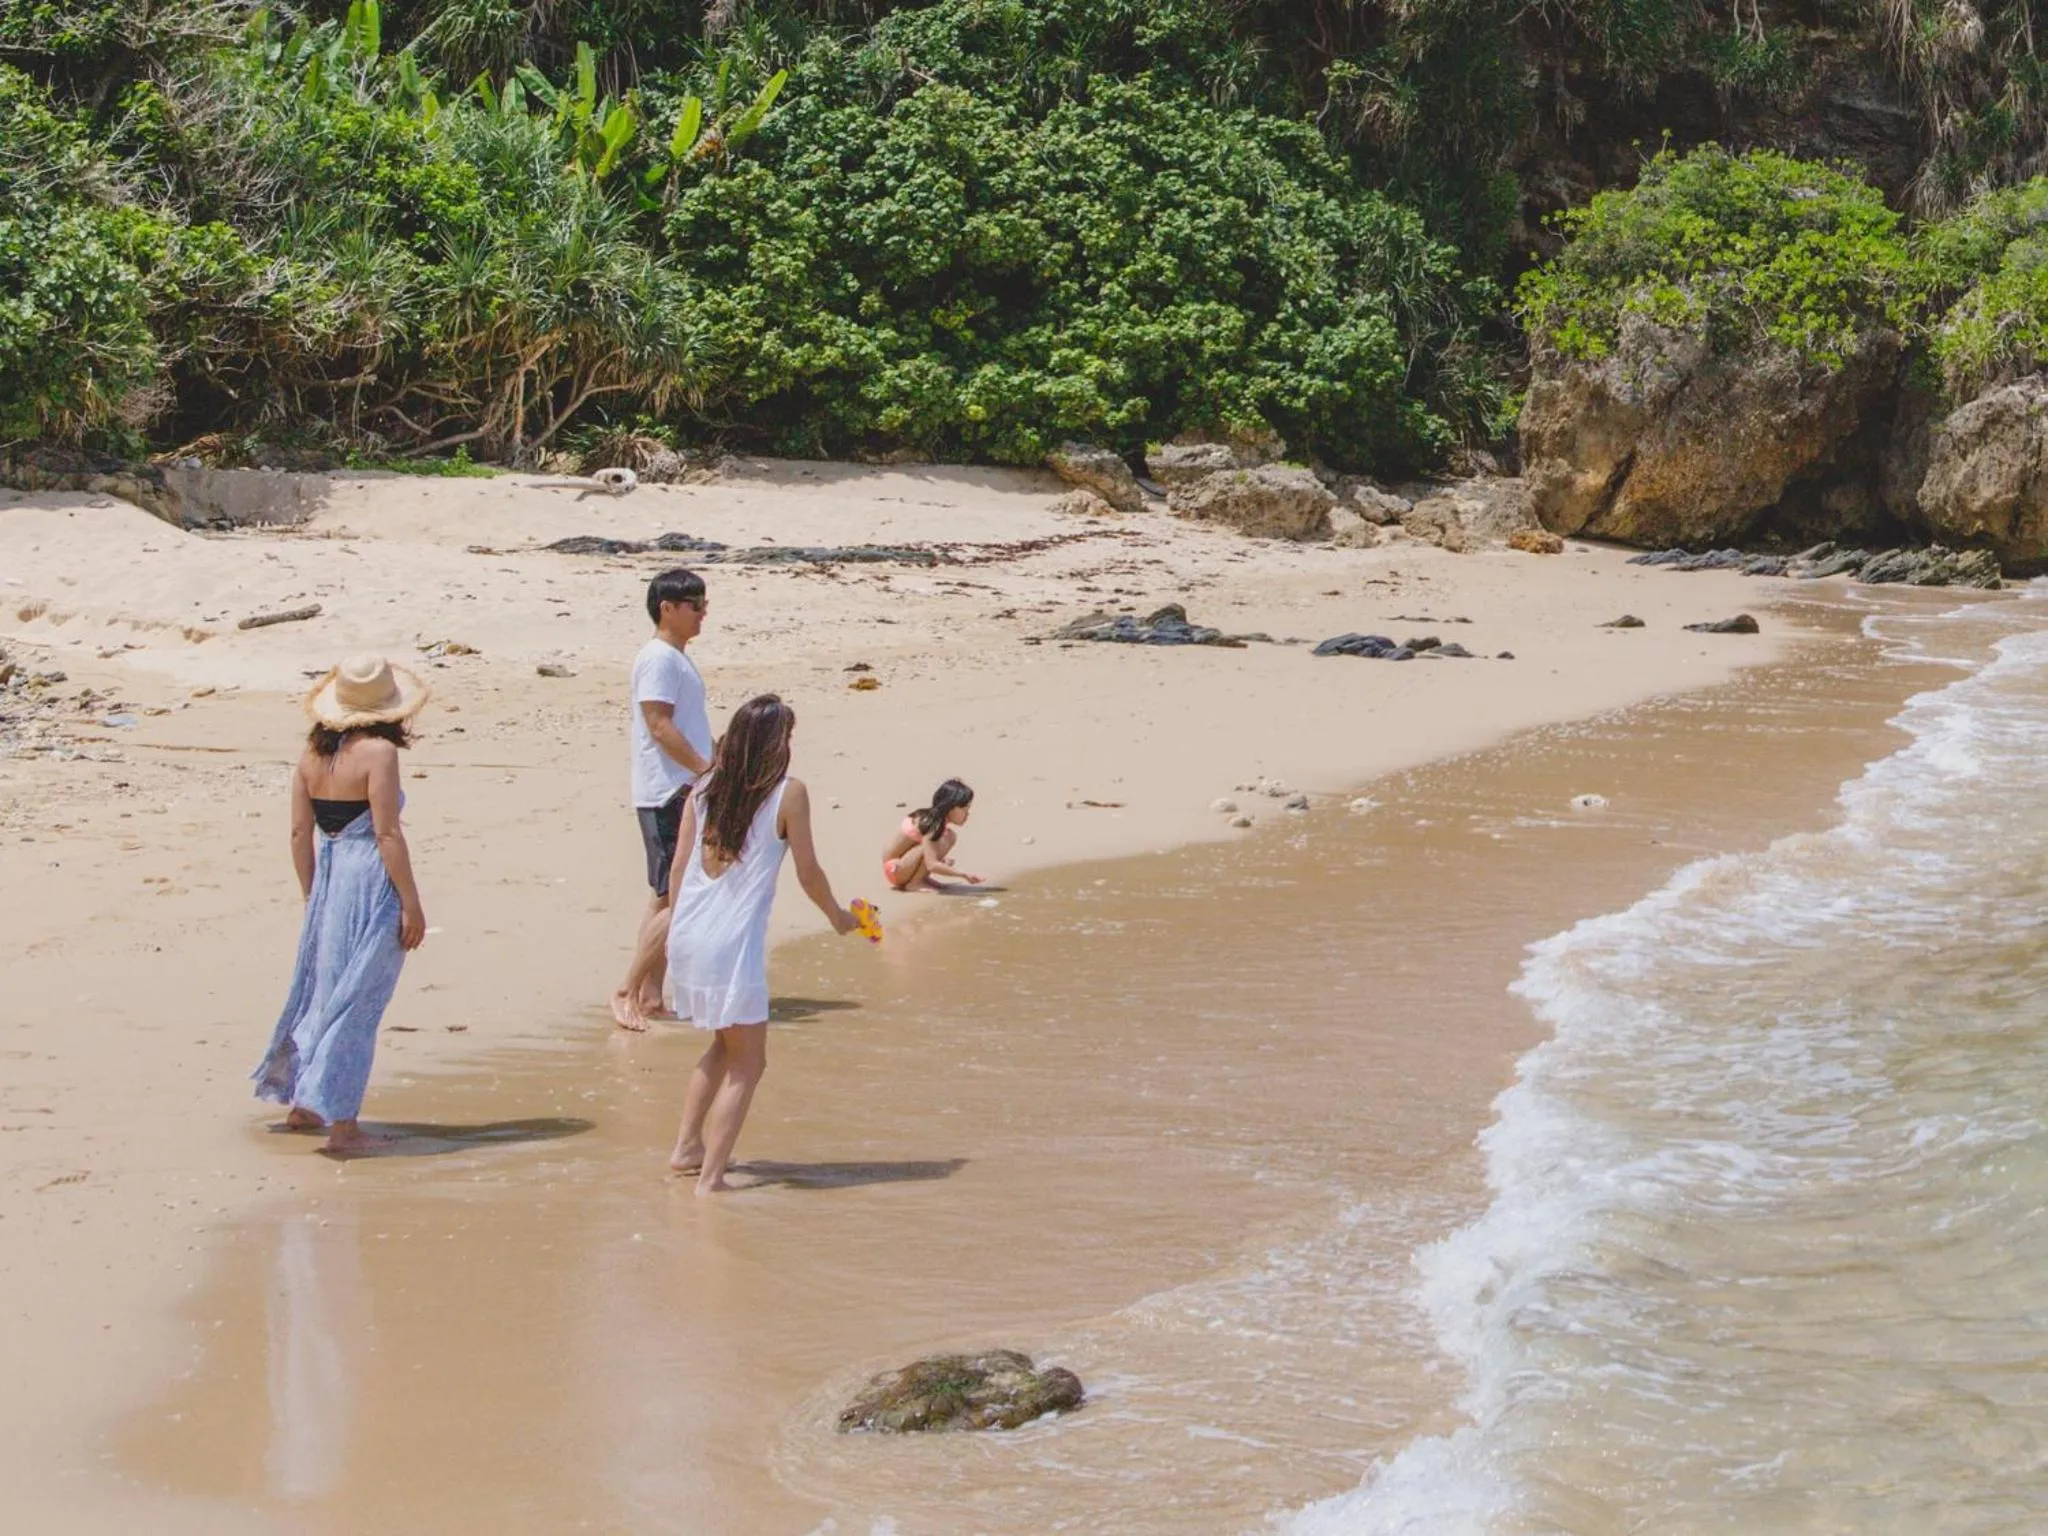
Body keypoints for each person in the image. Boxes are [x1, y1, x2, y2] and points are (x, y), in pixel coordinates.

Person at [661, 695, 861, 1193]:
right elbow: (809, 874)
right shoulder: (788, 795)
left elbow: (678, 869)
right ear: (775, 746)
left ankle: (687, 1148)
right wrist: (838, 917)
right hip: (731, 947)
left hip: (688, 934)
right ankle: (711, 1180)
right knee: (750, 1062)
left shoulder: (705, 786)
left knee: (723, 1045)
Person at [252, 655, 430, 1156]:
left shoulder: (310, 756)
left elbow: (297, 832)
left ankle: (306, 1103)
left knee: (321, 988)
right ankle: (344, 1125)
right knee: (358, 1000)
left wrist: (313, 893)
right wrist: (411, 903)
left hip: (328, 874)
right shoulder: (378, 754)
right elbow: (387, 833)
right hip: (369, 876)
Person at [612, 568, 714, 1031]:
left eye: (703, 603)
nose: (702, 612)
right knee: (672, 897)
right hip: (669, 790)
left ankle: (650, 994)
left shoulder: (675, 657)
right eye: (694, 604)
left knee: (668, 895)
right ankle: (628, 990)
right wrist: (704, 770)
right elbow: (659, 724)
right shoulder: (658, 658)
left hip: (680, 788)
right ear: (667, 607)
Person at [881, 778, 982, 891]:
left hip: (901, 866)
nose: (967, 814)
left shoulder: (935, 820)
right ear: (950, 808)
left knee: (947, 836)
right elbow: (932, 864)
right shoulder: (933, 825)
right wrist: (963, 875)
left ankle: (921, 878)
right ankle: (915, 883)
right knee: (943, 839)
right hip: (895, 869)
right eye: (964, 809)